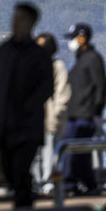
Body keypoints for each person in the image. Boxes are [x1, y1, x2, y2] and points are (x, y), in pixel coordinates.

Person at [0, 2, 53, 208]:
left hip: (28, 125)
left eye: (21, 20)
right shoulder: (2, 51)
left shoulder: (39, 54)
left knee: (21, 167)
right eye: (14, 19)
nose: (15, 23)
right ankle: (24, 199)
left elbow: (47, 86)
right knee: (8, 170)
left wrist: (28, 106)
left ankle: (23, 208)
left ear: (32, 23)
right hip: (5, 124)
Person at [62, 22, 106, 196]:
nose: (71, 42)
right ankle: (88, 184)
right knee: (80, 152)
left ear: (82, 37)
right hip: (75, 114)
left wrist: (97, 112)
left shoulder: (93, 58)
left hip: (85, 114)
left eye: (73, 38)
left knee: (74, 150)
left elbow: (101, 86)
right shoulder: (81, 59)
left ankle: (70, 184)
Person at [31, 32, 71, 193]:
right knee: (35, 152)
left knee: (48, 151)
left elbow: (63, 93)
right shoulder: (32, 66)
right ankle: (35, 181)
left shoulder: (57, 66)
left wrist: (57, 113)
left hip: (50, 117)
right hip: (33, 117)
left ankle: (47, 181)